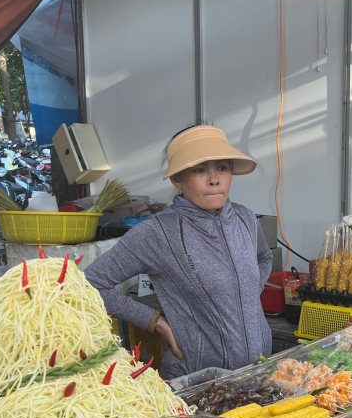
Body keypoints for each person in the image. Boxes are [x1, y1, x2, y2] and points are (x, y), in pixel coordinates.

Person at [85, 125, 273, 380]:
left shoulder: (245, 218)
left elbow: (264, 257)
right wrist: (156, 323)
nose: (214, 179)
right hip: (198, 381)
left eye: (222, 167)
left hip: (257, 372)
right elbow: (90, 285)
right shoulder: (158, 232)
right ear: (177, 179)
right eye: (199, 170)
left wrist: (251, 290)